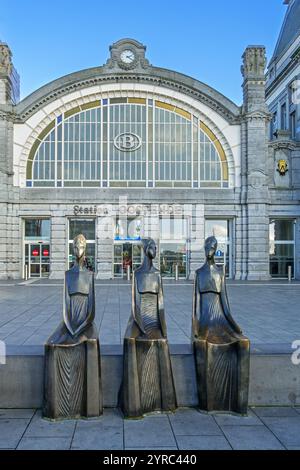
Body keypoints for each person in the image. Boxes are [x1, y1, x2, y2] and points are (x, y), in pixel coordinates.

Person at [43, 234, 102, 419]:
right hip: (70, 323)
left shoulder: (90, 276)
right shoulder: (68, 275)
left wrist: (80, 328)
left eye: (82, 245)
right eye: (75, 245)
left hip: (85, 323)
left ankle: (86, 406)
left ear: (86, 249)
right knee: (52, 345)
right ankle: (57, 408)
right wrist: (70, 327)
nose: (78, 248)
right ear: (72, 249)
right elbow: (65, 307)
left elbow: (91, 309)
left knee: (88, 342)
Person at [119, 238, 177, 418]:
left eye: (156, 247)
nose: (154, 249)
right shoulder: (136, 274)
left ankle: (163, 403)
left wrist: (163, 330)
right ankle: (132, 404)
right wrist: (142, 328)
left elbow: (160, 306)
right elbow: (135, 306)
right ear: (145, 250)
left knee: (161, 341)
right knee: (131, 341)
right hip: (139, 321)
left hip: (153, 321)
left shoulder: (158, 275)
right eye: (151, 246)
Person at [192, 236, 250, 414]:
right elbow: (196, 306)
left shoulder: (220, 273)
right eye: (208, 246)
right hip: (206, 321)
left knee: (242, 342)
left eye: (213, 247)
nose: (210, 249)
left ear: (216, 249)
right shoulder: (199, 273)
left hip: (221, 321)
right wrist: (197, 329)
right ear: (204, 248)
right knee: (205, 344)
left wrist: (236, 326)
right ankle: (208, 404)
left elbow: (225, 304)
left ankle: (238, 406)